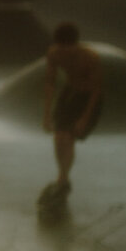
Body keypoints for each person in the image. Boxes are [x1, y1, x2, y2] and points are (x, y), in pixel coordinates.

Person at [41, 21, 103, 202]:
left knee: (68, 138)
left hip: (89, 98)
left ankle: (63, 178)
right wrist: (46, 115)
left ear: (75, 44)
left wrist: (84, 118)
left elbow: (96, 90)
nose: (65, 51)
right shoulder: (54, 53)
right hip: (69, 94)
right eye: (62, 47)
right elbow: (50, 84)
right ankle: (63, 177)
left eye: (69, 48)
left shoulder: (90, 57)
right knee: (59, 137)